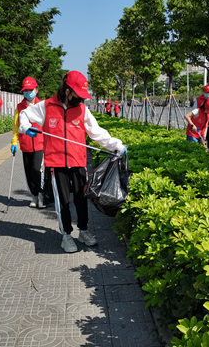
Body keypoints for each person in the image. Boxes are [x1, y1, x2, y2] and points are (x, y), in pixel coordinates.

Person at [18, 71, 127, 253]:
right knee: (62, 202)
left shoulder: (83, 109)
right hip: (56, 164)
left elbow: (96, 133)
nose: (80, 99)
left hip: (78, 162)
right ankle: (66, 236)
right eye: (78, 94)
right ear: (67, 91)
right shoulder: (46, 106)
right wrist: (25, 127)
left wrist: (116, 145)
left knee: (80, 200)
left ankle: (83, 231)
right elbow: (24, 114)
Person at [11, 77, 46, 209]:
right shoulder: (19, 107)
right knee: (29, 172)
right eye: (25, 90)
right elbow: (16, 126)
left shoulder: (42, 105)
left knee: (38, 170)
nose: (28, 93)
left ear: (36, 90)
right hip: (25, 144)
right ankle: (34, 196)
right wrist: (14, 142)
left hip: (40, 144)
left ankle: (41, 195)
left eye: (30, 90)